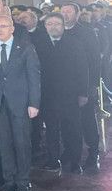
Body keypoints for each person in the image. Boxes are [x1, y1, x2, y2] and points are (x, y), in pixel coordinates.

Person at [0, 15, 41, 191]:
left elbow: (34, 77)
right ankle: (9, 181)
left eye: (3, 26)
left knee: (22, 143)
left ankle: (23, 182)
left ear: (12, 28)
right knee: (4, 143)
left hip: (20, 103)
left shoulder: (26, 47)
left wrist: (34, 103)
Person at [36, 13, 89, 173]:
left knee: (73, 128)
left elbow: (83, 69)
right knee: (51, 129)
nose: (53, 27)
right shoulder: (38, 44)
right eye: (49, 24)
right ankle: (53, 160)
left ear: (63, 26)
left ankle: (75, 161)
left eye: (57, 24)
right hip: (47, 95)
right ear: (45, 27)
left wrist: (83, 93)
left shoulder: (74, 43)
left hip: (70, 95)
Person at [61, 2, 102, 174]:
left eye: (68, 12)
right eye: (63, 11)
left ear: (77, 14)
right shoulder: (59, 31)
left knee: (87, 119)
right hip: (65, 86)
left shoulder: (86, 32)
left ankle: (93, 152)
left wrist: (91, 85)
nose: (65, 14)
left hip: (85, 83)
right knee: (67, 120)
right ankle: (69, 150)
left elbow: (95, 59)